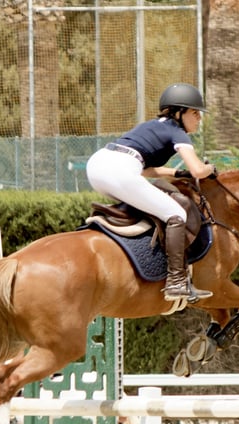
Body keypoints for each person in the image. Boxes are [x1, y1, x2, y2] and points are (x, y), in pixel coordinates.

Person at [86, 82, 217, 302]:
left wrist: (176, 173)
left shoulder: (152, 126)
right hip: (120, 171)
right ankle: (176, 281)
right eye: (195, 113)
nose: (199, 118)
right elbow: (198, 170)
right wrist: (209, 169)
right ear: (179, 112)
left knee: (156, 200)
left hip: (98, 166)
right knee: (177, 214)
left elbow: (144, 170)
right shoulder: (177, 132)